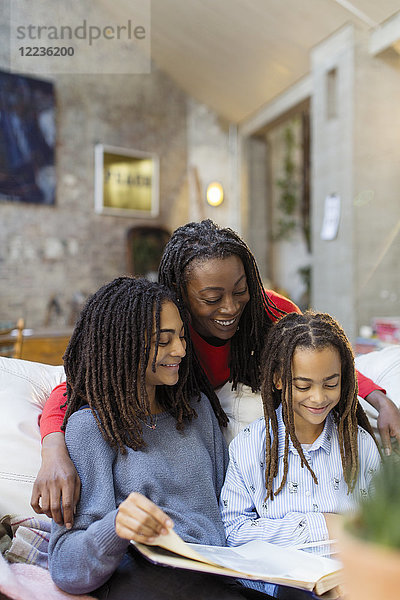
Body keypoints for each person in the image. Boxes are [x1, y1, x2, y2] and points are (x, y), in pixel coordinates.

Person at [32, 220, 400, 527]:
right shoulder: (163, 328)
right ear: (178, 293)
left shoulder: (268, 312)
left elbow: (322, 359)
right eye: (211, 299)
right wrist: (53, 449)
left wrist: (379, 399)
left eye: (240, 290)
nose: (230, 308)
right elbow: (82, 384)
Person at [48, 276, 269, 600]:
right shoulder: (91, 430)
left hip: (220, 573)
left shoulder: (197, 411)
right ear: (124, 345)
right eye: (164, 341)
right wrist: (116, 525)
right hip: (146, 578)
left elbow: (232, 510)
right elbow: (66, 566)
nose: (180, 349)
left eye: (181, 336)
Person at [219, 311, 381, 598]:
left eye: (331, 384)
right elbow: (233, 532)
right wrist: (322, 526)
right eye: (303, 385)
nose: (318, 398)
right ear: (279, 379)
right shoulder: (248, 447)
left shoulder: (360, 445)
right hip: (278, 588)